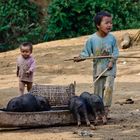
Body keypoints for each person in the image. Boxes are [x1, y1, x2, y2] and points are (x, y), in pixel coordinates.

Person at [74, 11, 119, 117]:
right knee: (98, 92)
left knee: (108, 88)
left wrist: (112, 61)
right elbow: (86, 53)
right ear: (98, 25)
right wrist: (80, 58)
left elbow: (116, 52)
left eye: (110, 23)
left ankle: (106, 109)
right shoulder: (92, 39)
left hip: (110, 69)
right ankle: (98, 110)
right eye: (106, 23)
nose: (109, 25)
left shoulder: (112, 38)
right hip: (98, 70)